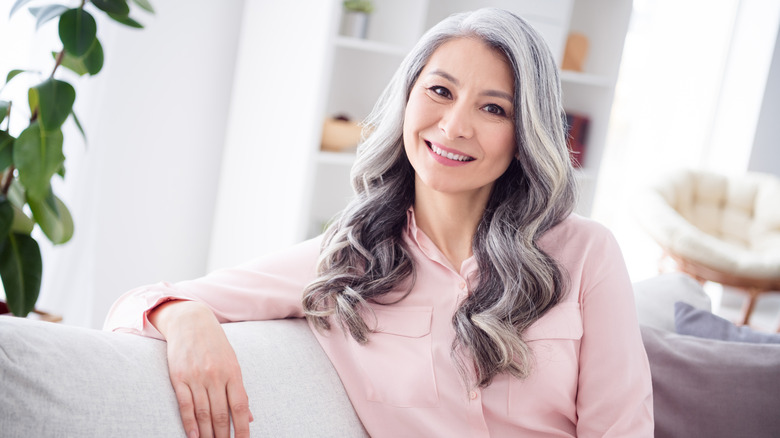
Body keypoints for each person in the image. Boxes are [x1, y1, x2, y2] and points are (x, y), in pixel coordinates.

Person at [105, 8, 653, 438]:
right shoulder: (347, 262)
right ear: (407, 100)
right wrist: (186, 318)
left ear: (523, 134)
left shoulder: (586, 254)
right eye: (440, 91)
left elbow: (621, 429)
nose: (455, 125)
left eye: (494, 109)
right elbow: (133, 306)